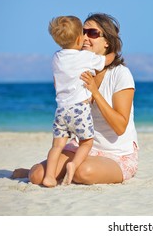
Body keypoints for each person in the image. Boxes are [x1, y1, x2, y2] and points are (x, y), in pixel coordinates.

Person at [12, 13, 139, 185]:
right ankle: (35, 170)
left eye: (92, 33)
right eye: (83, 32)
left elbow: (120, 126)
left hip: (116, 154)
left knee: (82, 172)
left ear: (107, 41)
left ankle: (69, 169)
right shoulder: (74, 69)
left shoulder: (120, 74)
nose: (85, 37)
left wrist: (95, 92)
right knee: (36, 176)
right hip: (81, 149)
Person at [44, 15, 116, 187]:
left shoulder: (56, 58)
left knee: (56, 146)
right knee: (86, 142)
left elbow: (57, 80)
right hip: (79, 110)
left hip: (61, 110)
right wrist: (113, 52)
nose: (85, 37)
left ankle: (49, 177)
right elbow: (106, 61)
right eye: (83, 33)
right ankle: (74, 164)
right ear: (78, 39)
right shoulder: (85, 58)